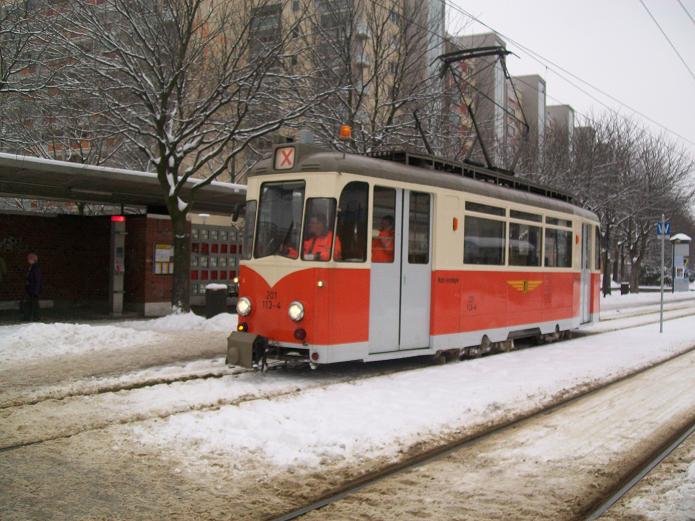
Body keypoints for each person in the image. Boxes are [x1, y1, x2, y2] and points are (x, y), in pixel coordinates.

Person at [23, 253, 42, 321]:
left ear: (33, 260)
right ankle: (32, 317)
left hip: (33, 289)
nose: (28, 260)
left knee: (34, 304)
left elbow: (37, 280)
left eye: (29, 259)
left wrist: (36, 291)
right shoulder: (32, 267)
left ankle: (35, 317)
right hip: (31, 289)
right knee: (31, 304)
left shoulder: (35, 268)